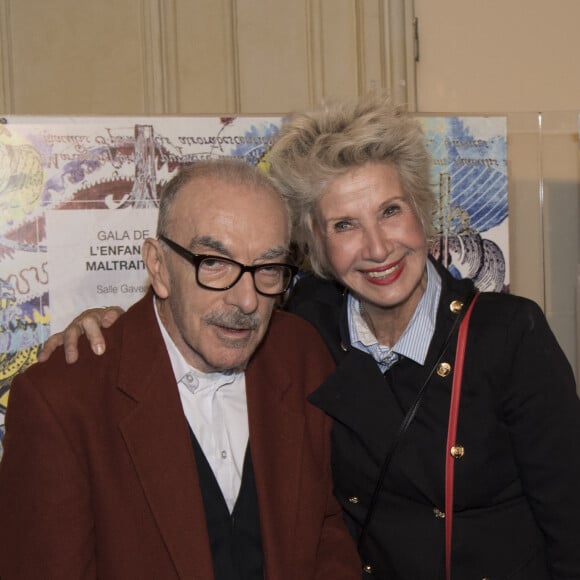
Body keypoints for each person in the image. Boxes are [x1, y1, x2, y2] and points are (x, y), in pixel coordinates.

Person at [37, 95, 580, 579]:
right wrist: (107, 324)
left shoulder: (509, 335)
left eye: (390, 211)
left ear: (422, 213)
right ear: (316, 246)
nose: (377, 247)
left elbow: (569, 523)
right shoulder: (307, 326)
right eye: (344, 224)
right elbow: (198, 298)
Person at [0, 159, 361, 579]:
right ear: (158, 267)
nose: (246, 301)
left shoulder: (299, 354)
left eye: (267, 268)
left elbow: (325, 529)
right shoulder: (61, 400)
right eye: (214, 263)